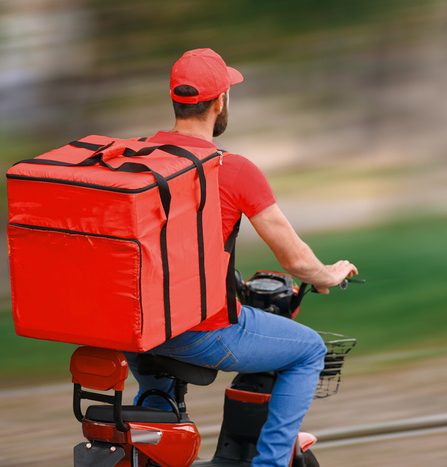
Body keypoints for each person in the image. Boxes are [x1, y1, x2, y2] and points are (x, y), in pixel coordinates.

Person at [123, 48, 358, 467]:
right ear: (220, 102)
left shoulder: (136, 157)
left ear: (176, 99)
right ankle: (269, 463)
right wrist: (328, 274)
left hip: (135, 328)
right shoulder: (231, 169)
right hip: (199, 331)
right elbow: (295, 260)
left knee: (158, 391)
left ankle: (152, 446)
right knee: (308, 350)